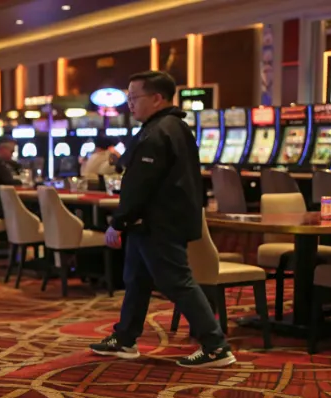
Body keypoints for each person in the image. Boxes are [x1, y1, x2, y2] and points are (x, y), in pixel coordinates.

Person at [89, 70, 235, 368]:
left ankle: (215, 345)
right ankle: (125, 338)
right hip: (153, 221)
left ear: (157, 98)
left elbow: (140, 185)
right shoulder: (166, 126)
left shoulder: (160, 131)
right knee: (137, 280)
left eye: (134, 97)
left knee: (177, 281)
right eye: (128, 97)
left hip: (160, 221)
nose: (129, 103)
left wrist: (118, 222)